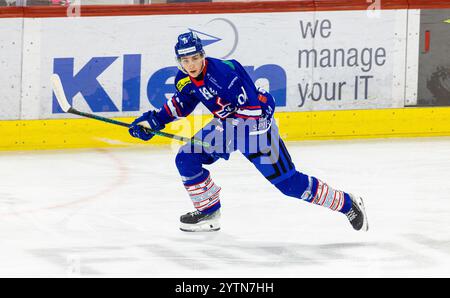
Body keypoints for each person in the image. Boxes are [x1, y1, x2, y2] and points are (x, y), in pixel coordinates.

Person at [129, 32, 369, 232]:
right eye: (185, 60)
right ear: (179, 61)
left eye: (194, 58)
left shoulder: (223, 75)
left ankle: (348, 203)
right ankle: (208, 212)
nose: (190, 65)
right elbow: (182, 103)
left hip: (257, 129)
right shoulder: (184, 78)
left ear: (203, 55)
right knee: (186, 157)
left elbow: (253, 110)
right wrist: (153, 122)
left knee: (289, 184)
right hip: (226, 124)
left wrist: (228, 135)